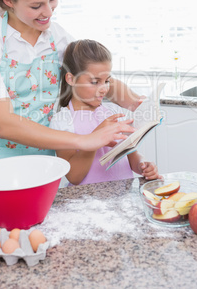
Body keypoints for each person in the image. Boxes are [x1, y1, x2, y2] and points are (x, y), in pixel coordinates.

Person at [0, 0, 143, 199]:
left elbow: (89, 75)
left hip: (46, 163)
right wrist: (84, 141)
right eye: (36, 5)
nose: (48, 12)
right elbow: (4, 123)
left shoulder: (55, 36)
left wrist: (135, 100)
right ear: (8, 0)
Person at [50, 39, 161, 186]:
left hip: (123, 198)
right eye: (95, 82)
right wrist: (95, 138)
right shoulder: (62, 121)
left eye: (107, 81)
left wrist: (143, 166)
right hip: (86, 202)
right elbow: (74, 177)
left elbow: (131, 157)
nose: (104, 89)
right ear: (71, 79)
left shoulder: (113, 112)